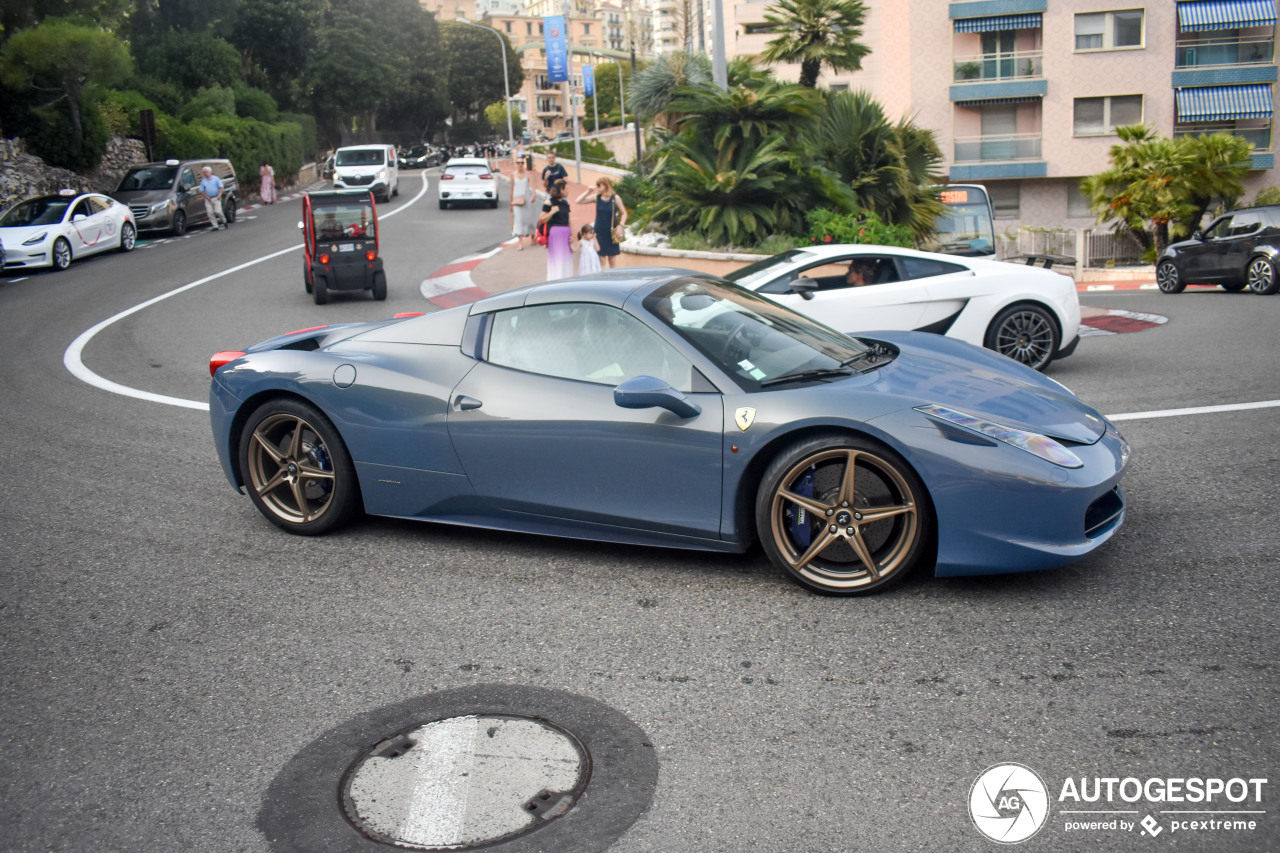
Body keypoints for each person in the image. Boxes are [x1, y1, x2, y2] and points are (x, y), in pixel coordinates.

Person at [575, 176, 627, 268]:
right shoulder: (596, 198)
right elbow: (578, 201)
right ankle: (604, 280)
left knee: (612, 260)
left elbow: (624, 213)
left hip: (611, 232)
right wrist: (589, 191)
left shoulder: (615, 198)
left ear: (605, 185)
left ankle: (612, 280)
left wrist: (621, 226)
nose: (597, 187)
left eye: (599, 185)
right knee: (601, 259)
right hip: (599, 231)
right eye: (596, 185)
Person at [539, 179, 573, 280]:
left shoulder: (565, 203)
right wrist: (552, 212)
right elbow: (542, 219)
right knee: (557, 259)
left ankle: (567, 279)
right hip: (555, 234)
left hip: (566, 233)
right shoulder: (549, 202)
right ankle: (555, 280)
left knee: (566, 259)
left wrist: (572, 234)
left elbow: (569, 220)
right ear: (561, 190)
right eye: (566, 189)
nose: (568, 191)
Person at [509, 158, 538, 250]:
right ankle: (520, 243)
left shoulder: (528, 174)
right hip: (517, 200)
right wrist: (511, 202)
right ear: (515, 164)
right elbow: (512, 189)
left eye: (522, 162)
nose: (520, 164)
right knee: (519, 220)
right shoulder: (513, 174)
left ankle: (533, 238)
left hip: (527, 199)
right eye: (518, 163)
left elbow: (533, 186)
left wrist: (533, 195)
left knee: (529, 219)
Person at [199, 166, 227, 231]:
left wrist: (219, 194)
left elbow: (221, 187)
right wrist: (206, 197)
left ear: (210, 172)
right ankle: (215, 226)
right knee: (210, 213)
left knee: (218, 211)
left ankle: (224, 220)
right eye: (204, 172)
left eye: (206, 172)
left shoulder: (216, 179)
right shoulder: (203, 181)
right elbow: (201, 190)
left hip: (216, 197)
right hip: (208, 199)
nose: (205, 173)